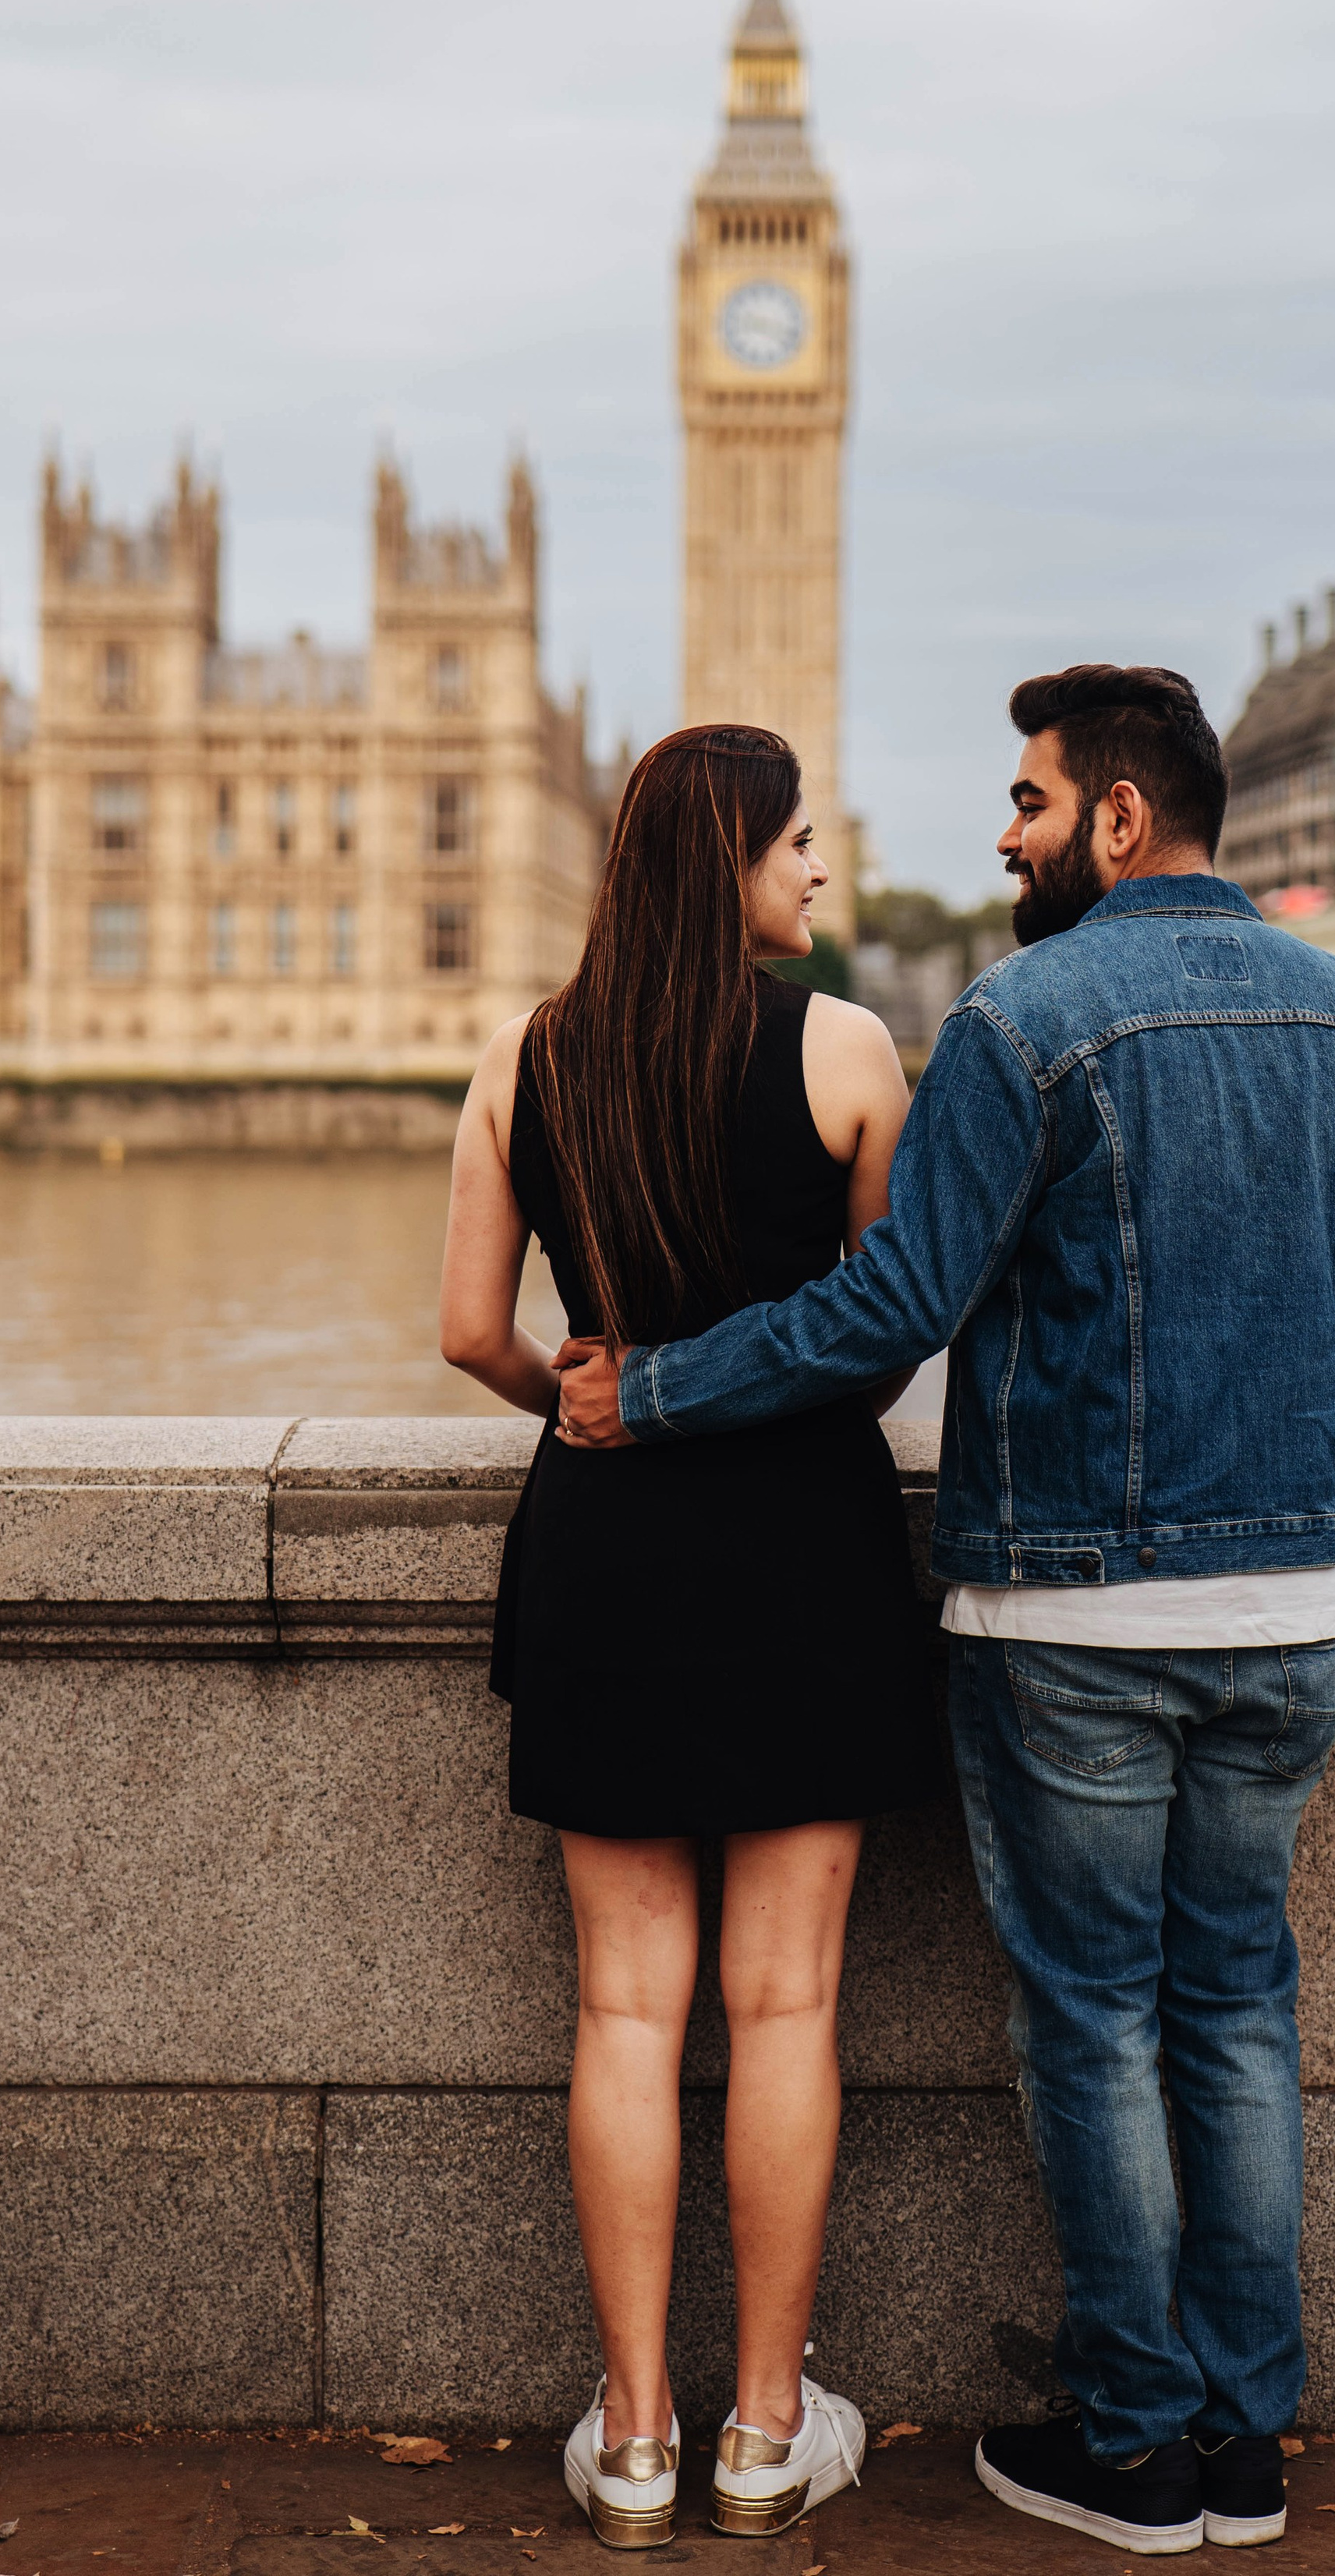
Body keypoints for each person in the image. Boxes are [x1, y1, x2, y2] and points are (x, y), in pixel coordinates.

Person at [560, 664, 1335, 2557]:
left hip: (1077, 1611)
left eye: (1026, 800)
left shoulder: (1024, 1022)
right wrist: (1298, 1451)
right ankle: (1246, 2447)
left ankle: (1134, 2444)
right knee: (1234, 2004)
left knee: (1094, 2023)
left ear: (1119, 821)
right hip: (1297, 1611)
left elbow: (883, 1312)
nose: (1000, 833)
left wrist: (644, 1390)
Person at [437, 723, 941, 2553]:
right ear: (724, 856)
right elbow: (883, 1331)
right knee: (786, 2004)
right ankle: (764, 2431)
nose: (818, 868)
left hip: (607, 1560)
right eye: (796, 840)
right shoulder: (846, 1051)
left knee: (625, 2012)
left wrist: (581, 1394)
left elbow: (466, 1332)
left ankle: (634, 2437)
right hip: (802, 1549)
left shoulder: (526, 1051)